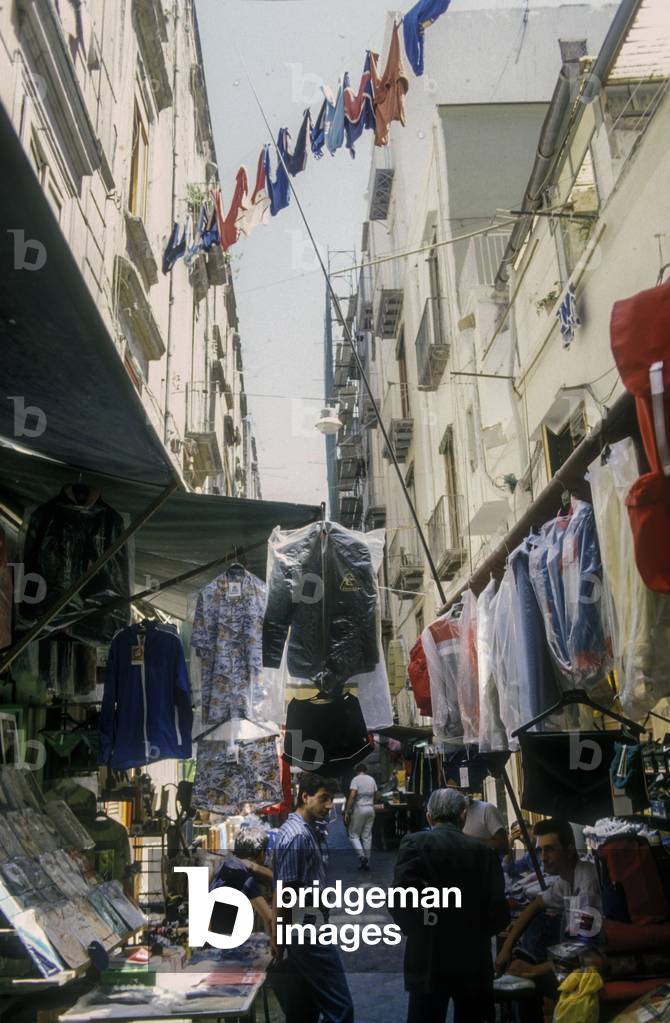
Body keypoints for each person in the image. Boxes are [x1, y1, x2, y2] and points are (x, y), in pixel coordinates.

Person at [391, 787, 510, 1023]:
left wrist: (419, 931)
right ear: (463, 816)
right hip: (473, 958)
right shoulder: (483, 852)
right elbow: (498, 911)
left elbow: (400, 901)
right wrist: (477, 932)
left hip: (428, 955)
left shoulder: (414, 843)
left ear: (429, 817)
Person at [271, 772, 353, 1023]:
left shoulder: (303, 830)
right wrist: (279, 940)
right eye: (323, 798)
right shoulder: (298, 835)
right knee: (341, 1010)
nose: (329, 805)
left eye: (331, 799)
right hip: (307, 932)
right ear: (305, 797)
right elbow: (285, 893)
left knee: (303, 1011)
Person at [495, 818, 602, 981]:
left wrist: (533, 970)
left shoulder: (587, 884)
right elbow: (537, 903)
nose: (543, 858)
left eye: (550, 849)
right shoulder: (566, 881)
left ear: (569, 850)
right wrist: (507, 947)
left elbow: (584, 952)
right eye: (541, 851)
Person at [209, 826, 273, 936]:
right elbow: (270, 919)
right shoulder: (244, 878)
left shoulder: (229, 864)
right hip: (227, 938)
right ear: (262, 853)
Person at [343, 762, 378, 871]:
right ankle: (367, 862)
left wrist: (347, 810)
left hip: (359, 809)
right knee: (367, 836)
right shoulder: (371, 779)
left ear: (357, 771)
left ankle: (362, 856)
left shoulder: (355, 779)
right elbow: (377, 794)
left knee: (353, 835)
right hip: (370, 809)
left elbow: (352, 795)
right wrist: (372, 803)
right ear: (366, 770)